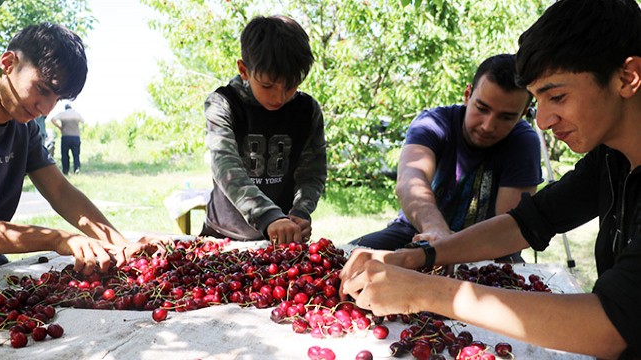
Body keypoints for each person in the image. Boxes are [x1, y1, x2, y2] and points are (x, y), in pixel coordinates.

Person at [339, 0, 641, 358]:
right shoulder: (610, 159)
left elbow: (612, 327)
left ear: (627, 77)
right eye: (537, 101)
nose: (542, 120)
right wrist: (419, 257)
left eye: (557, 96)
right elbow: (530, 221)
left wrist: (424, 290)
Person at [0, 23, 163, 274]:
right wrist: (56, 238)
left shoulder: (25, 128)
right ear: (8, 62)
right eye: (42, 89)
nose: (45, 109)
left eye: (56, 99)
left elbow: (60, 191)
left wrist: (122, 245)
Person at [351, 54, 542, 263]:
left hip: (488, 247)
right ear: (467, 95)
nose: (488, 125)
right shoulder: (433, 123)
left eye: (506, 117)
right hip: (415, 232)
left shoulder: (524, 142)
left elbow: (508, 226)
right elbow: (410, 181)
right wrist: (435, 230)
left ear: (523, 113)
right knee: (348, 259)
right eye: (482, 108)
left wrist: (450, 248)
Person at [201, 15, 327, 245]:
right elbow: (225, 166)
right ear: (244, 69)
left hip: (282, 238)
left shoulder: (307, 110)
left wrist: (300, 211)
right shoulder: (223, 104)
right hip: (224, 235)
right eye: (268, 85)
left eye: (291, 85)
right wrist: (268, 216)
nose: (279, 96)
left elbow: (312, 172)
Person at [51, 103, 84, 175]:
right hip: (76, 136)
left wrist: (60, 127)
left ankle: (66, 170)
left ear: (65, 108)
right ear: (71, 108)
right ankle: (76, 168)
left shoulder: (62, 114)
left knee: (65, 154)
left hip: (65, 136)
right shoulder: (76, 114)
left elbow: (53, 119)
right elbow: (83, 121)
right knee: (76, 154)